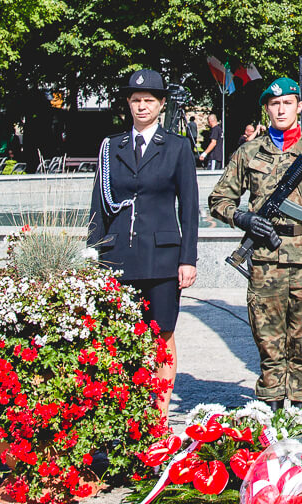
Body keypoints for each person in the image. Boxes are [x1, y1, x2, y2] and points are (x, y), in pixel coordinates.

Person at [208, 77, 302, 408]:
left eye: (288, 103)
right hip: (265, 263)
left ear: (299, 107)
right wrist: (243, 218)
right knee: (269, 346)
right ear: (267, 109)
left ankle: (300, 414)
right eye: (274, 104)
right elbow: (219, 199)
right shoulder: (249, 152)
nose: (281, 109)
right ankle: (270, 415)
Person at [87, 69, 199, 409]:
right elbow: (98, 204)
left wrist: (188, 258)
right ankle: (125, 408)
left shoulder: (177, 147)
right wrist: (93, 251)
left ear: (161, 104)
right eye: (135, 100)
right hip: (119, 255)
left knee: (162, 334)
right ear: (127, 104)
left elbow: (190, 207)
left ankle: (159, 411)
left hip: (163, 257)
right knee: (117, 336)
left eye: (149, 100)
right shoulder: (111, 147)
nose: (141, 107)